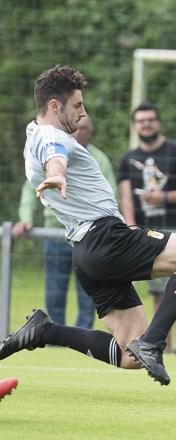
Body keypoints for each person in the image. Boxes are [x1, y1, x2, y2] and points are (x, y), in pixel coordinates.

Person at [0, 65, 176, 386]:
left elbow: (53, 155)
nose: (83, 113)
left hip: (87, 253)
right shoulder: (50, 136)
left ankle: (45, 331)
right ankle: (153, 341)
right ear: (54, 106)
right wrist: (57, 173)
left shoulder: (32, 134)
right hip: (106, 238)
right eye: (77, 105)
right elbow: (54, 155)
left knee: (129, 356)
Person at [117, 101, 176, 355]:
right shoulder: (128, 159)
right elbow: (126, 199)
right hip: (148, 231)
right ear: (134, 126)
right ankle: (160, 341)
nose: (146, 124)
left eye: (150, 119)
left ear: (158, 122)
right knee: (158, 290)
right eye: (141, 120)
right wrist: (130, 227)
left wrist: (164, 198)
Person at [12, 116, 114, 330]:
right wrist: (26, 219)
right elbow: (31, 188)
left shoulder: (99, 159)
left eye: (85, 129)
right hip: (56, 234)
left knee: (89, 292)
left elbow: (110, 194)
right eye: (77, 128)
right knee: (54, 291)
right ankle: (56, 335)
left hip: (89, 235)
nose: (80, 132)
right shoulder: (50, 150)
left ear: (91, 132)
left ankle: (82, 336)